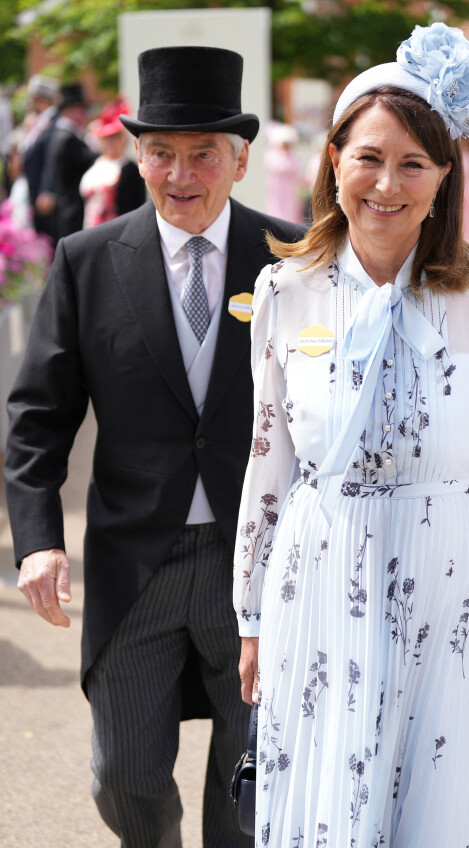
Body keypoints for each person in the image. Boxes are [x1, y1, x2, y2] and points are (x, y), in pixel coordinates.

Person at [234, 22, 469, 848]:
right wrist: (250, 614)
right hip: (317, 584)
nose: (387, 183)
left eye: (414, 162)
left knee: (428, 819)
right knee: (323, 818)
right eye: (368, 157)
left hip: (452, 593)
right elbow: (268, 463)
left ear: (445, 175)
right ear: (333, 159)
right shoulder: (284, 289)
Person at [3, 46, 304, 848]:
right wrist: (37, 541)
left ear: (239, 159)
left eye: (203, 152)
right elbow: (36, 417)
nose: (182, 172)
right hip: (136, 564)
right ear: (137, 156)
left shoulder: (297, 259)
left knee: (255, 781)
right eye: (161, 151)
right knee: (123, 778)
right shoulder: (87, 262)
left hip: (260, 565)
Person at [80, 97, 145, 228]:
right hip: (90, 230)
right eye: (107, 138)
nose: (110, 142)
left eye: (115, 137)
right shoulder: (95, 163)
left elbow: (136, 207)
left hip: (117, 231)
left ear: (123, 138)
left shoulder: (130, 169)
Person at [48, 82, 98, 240]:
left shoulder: (65, 134)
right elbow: (91, 160)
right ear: (70, 111)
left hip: (68, 206)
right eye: (82, 110)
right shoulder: (67, 138)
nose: (86, 115)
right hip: (72, 208)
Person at [20, 74, 60, 241]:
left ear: (42, 100)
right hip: (34, 191)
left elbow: (53, 158)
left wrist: (48, 190)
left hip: (45, 196)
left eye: (33, 98)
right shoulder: (38, 123)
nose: (29, 103)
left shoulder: (54, 123)